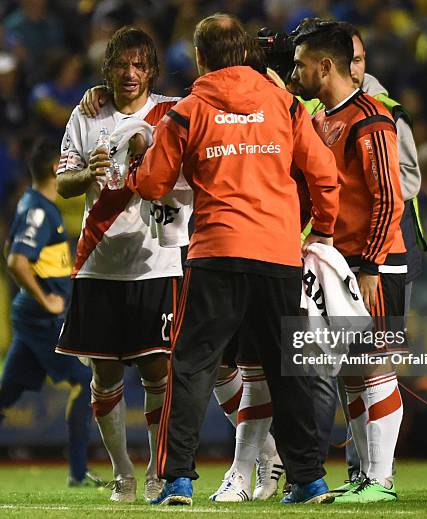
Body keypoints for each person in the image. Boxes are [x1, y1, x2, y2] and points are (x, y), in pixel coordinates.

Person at [127, 13, 341, 506]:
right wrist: (323, 231)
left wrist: (135, 167)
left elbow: (156, 183)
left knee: (193, 368)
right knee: (286, 370)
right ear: (245, 52)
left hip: (217, 254)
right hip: (277, 255)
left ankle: (178, 480)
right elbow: (322, 172)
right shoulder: (284, 104)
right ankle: (308, 480)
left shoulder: (189, 109)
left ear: (200, 57)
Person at [55, 26, 182, 503]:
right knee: (104, 376)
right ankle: (123, 475)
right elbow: (65, 182)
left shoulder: (172, 112)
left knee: (157, 372)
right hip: (98, 262)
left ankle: (155, 472)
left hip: (157, 261)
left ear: (150, 69)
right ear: (106, 68)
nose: (130, 74)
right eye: (121, 65)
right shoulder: (87, 113)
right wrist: (90, 169)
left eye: (139, 65)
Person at [290, 20, 406, 503]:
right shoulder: (323, 117)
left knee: (376, 368)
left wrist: (371, 265)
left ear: (325, 65)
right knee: (353, 373)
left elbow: (389, 199)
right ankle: (365, 477)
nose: (294, 72)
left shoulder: (370, 118)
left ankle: (380, 480)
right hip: (343, 264)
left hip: (373, 263)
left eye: (300, 64)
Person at [0, 138, 100, 489]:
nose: (68, 168)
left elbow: (7, 249)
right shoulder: (40, 209)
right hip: (40, 319)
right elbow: (16, 260)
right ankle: (77, 473)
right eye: (64, 163)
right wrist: (47, 300)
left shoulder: (33, 204)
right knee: (83, 382)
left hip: (32, 319)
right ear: (52, 169)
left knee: (6, 392)